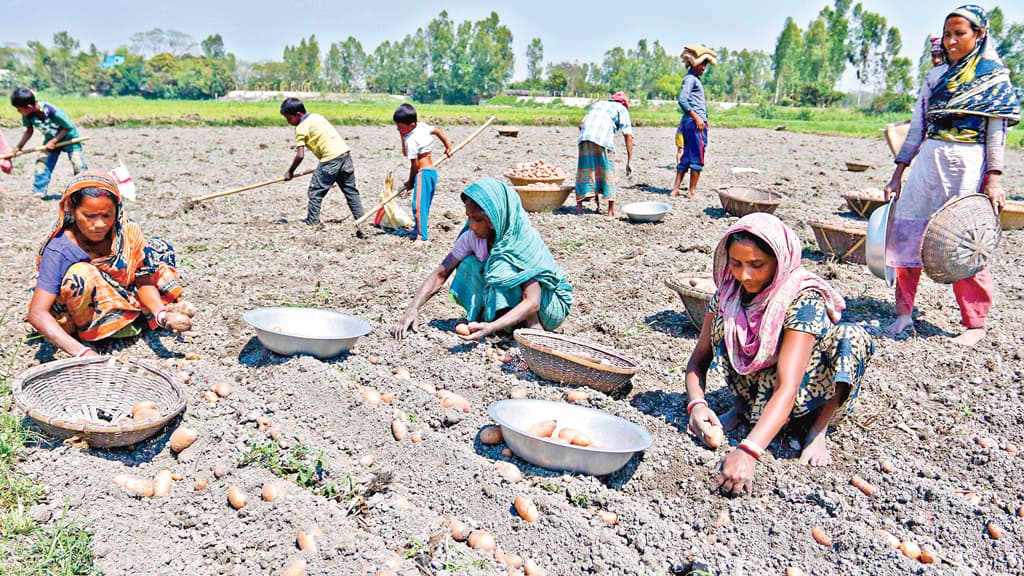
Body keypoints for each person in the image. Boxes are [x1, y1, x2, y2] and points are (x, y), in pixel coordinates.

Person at [684, 214, 875, 496]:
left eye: (756, 265)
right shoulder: (728, 296)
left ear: (779, 261)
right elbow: (698, 360)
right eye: (736, 264)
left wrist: (748, 451)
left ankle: (816, 430)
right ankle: (742, 408)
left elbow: (789, 385)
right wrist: (697, 405)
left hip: (807, 395)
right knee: (729, 321)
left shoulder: (803, 299)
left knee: (851, 338)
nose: (744, 275)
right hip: (758, 389)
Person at [883, 5, 1019, 347]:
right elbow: (917, 128)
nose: (952, 41)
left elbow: (995, 136)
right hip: (929, 164)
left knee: (967, 242)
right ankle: (903, 314)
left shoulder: (994, 78)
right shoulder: (935, 78)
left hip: (968, 166)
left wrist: (994, 179)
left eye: (960, 34)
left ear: (980, 35)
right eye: (948, 34)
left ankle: (974, 323)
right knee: (907, 234)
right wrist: (898, 172)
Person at [26, 172, 196, 358]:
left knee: (158, 249)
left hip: (127, 296)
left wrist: (161, 315)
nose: (99, 224)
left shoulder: (125, 231)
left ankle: (142, 316)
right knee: (80, 274)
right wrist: (82, 352)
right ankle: (100, 331)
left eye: (107, 215)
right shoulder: (59, 249)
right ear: (72, 210)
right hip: (87, 311)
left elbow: (142, 279)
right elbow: (38, 313)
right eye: (89, 216)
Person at [392, 178, 573, 340]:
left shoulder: (519, 242)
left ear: (494, 220)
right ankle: (499, 322)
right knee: (469, 264)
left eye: (477, 220)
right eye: (469, 218)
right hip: (521, 306)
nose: (471, 226)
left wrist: (491, 327)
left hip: (546, 307)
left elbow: (533, 301)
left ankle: (530, 327)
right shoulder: (472, 237)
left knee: (502, 266)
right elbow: (441, 274)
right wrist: (412, 308)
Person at [281, 97, 364, 225]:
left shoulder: (300, 128)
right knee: (350, 191)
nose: (288, 122)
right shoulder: (316, 117)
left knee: (315, 192)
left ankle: (312, 221)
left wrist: (290, 172)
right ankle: (361, 219)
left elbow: (300, 155)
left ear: (298, 114)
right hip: (345, 155)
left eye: (289, 118)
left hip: (330, 160)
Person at [10, 88, 87, 198]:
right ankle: (39, 191)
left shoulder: (52, 111)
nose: (18, 111)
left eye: (19, 109)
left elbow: (67, 127)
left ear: (29, 107)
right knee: (42, 163)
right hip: (50, 140)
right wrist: (19, 147)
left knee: (78, 164)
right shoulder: (28, 115)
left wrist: (54, 141)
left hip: (69, 139)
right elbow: (29, 130)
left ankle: (84, 190)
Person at [393, 103, 452, 243]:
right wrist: (448, 147)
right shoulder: (422, 126)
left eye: (400, 127)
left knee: (418, 206)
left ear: (411, 125)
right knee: (423, 205)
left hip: (422, 173)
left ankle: (422, 236)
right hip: (431, 173)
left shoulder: (411, 140)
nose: (398, 129)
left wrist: (410, 181)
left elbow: (414, 165)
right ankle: (417, 231)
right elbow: (438, 131)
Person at [575, 92, 633, 217]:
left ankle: (579, 208)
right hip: (603, 140)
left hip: (584, 137)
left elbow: (581, 125)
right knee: (608, 171)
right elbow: (628, 134)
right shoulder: (622, 109)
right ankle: (611, 210)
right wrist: (629, 160)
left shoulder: (598, 104)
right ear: (624, 103)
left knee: (585, 170)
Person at [670, 46, 716, 198]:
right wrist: (697, 117)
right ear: (693, 63)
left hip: (688, 122)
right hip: (695, 122)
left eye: (705, 65)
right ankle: (692, 192)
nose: (704, 68)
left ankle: (676, 190)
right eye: (702, 64)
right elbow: (682, 101)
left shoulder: (693, 79)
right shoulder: (691, 79)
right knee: (698, 156)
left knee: (687, 156)